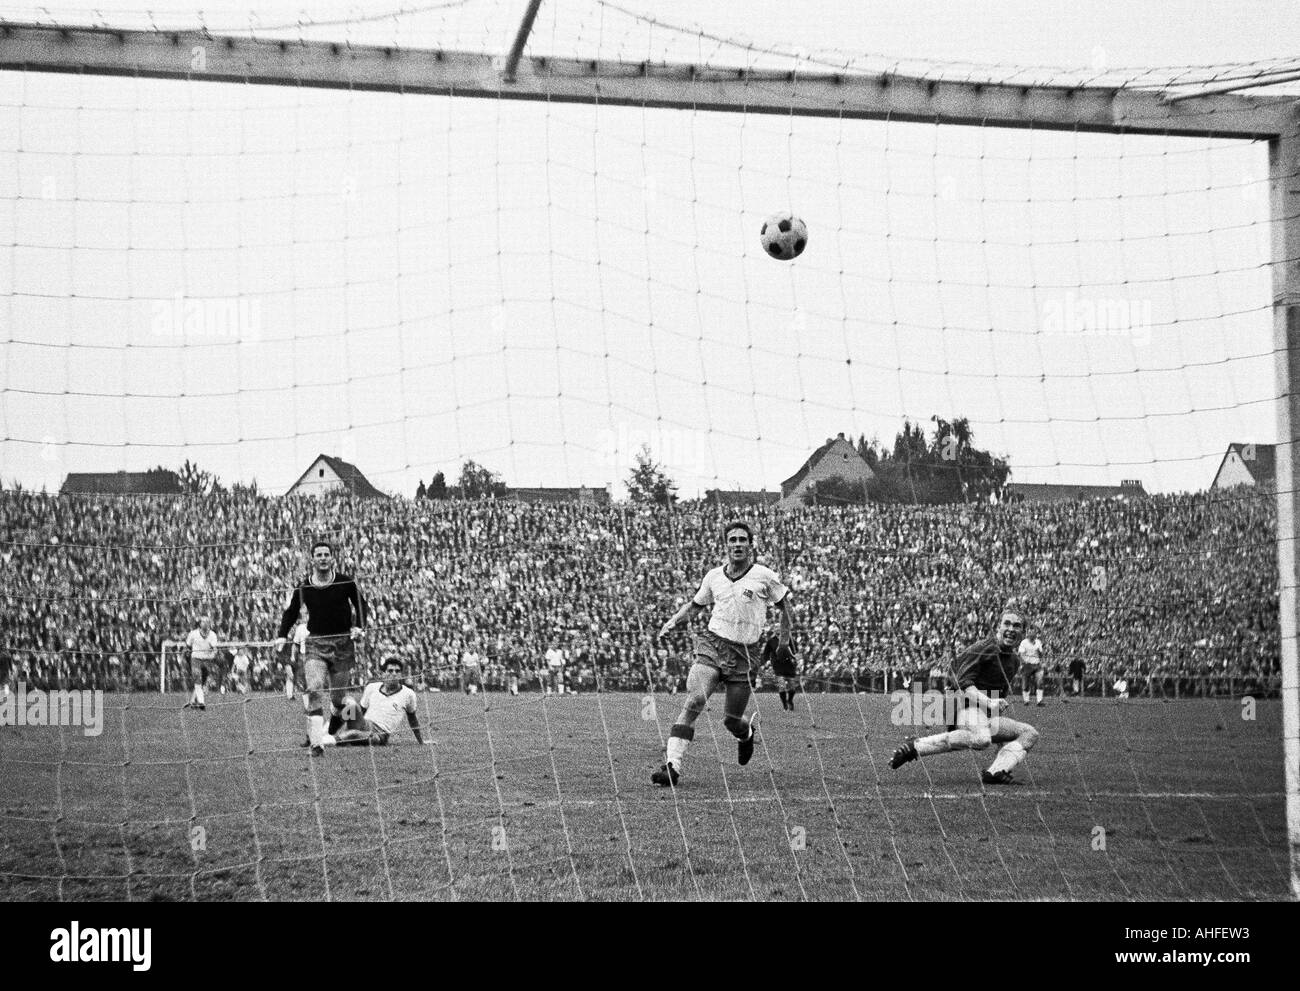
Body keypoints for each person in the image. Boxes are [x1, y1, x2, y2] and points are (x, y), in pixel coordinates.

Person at [652, 520, 795, 787]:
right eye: (733, 540)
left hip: (745, 654)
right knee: (695, 700)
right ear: (726, 545)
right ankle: (672, 766)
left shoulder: (764, 575)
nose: (738, 544)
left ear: (750, 545)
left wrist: (784, 642)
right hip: (713, 644)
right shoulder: (714, 576)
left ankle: (746, 734)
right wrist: (672, 622)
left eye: (743, 539)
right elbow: (695, 606)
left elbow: (785, 607)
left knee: (731, 721)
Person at [888, 610, 1039, 785]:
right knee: (982, 739)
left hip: (984, 713)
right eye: (1007, 624)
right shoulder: (982, 649)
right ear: (998, 627)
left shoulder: (1014, 661)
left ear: (1023, 632)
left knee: (1029, 734)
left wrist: (1000, 735)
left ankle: (996, 772)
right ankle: (916, 746)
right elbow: (963, 684)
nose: (1011, 629)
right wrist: (989, 702)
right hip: (961, 705)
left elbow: (998, 695)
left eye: (1017, 626)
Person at [275, 540, 368, 756]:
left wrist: (360, 627)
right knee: (314, 689)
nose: (323, 558)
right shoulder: (304, 586)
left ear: (333, 558)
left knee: (338, 699)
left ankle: (345, 722)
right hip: (316, 642)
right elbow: (291, 612)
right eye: (319, 554)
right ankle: (317, 745)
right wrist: (281, 635)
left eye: (327, 554)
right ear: (313, 559)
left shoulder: (345, 582)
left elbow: (362, 604)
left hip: (343, 643)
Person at [333, 657, 426, 747]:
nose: (394, 674)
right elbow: (361, 710)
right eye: (390, 671)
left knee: (353, 734)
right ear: (383, 673)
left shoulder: (408, 694)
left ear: (401, 675)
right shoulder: (372, 687)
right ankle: (333, 733)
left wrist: (421, 741)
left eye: (397, 671)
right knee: (351, 705)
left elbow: (412, 719)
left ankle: (328, 741)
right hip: (365, 724)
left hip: (380, 734)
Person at [182, 616, 219, 710]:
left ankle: (193, 701)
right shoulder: (193, 634)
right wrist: (184, 656)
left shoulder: (213, 635)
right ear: (200, 623)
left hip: (207, 660)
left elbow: (215, 650)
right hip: (196, 659)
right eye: (203, 621)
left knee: (202, 682)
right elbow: (187, 646)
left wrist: (213, 655)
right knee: (197, 678)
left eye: (207, 621)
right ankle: (202, 702)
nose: (205, 623)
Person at [762, 634, 799, 711]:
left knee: (792, 686)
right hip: (778, 666)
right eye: (776, 628)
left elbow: (796, 650)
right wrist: (767, 661)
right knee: (781, 686)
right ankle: (785, 704)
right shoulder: (771, 641)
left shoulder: (789, 639)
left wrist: (794, 657)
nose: (778, 629)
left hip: (789, 666)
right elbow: (766, 653)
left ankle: (790, 700)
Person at [1018, 626, 1046, 705]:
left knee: (1040, 682)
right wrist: (1023, 663)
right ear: (1027, 634)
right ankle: (1026, 701)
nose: (1032, 634)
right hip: (1027, 665)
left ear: (1036, 634)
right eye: (1030, 632)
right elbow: (1020, 654)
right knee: (1026, 684)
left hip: (1037, 665)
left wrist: (1039, 651)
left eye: (1033, 632)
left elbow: (1041, 654)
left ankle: (1039, 701)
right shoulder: (1024, 642)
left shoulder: (1038, 642)